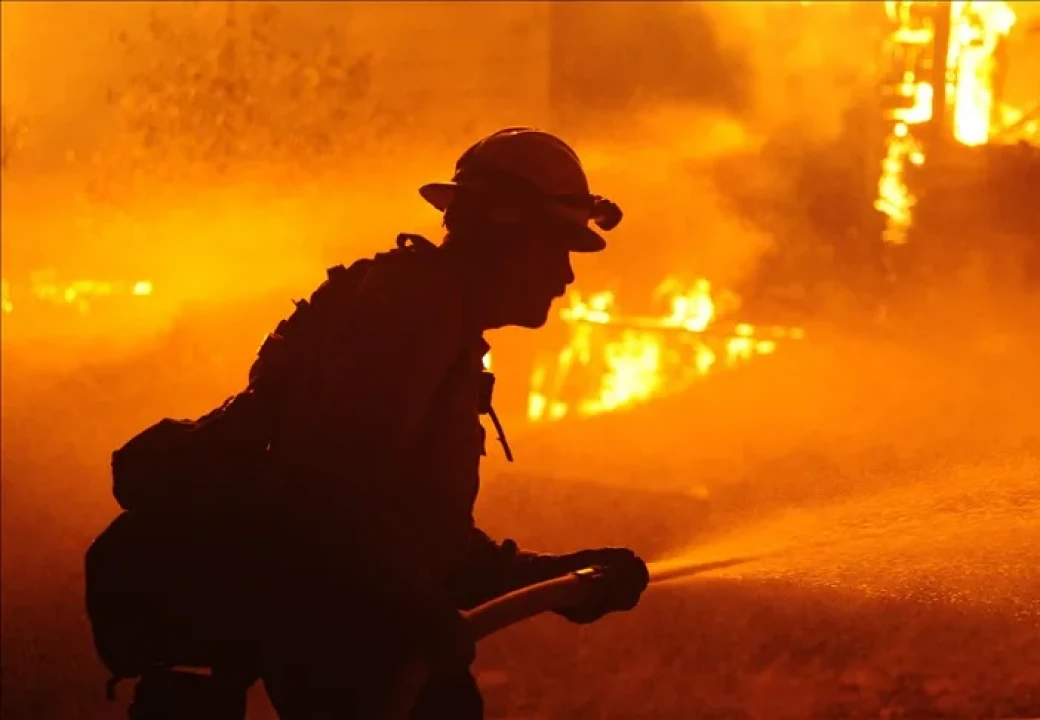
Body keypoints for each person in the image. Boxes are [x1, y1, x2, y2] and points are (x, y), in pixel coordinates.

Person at [92, 127, 649, 719]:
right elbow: (326, 499)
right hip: (339, 643)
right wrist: (421, 614)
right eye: (558, 248)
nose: (566, 276)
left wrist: (558, 579)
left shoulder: (437, 320)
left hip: (356, 634)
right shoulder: (413, 312)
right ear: (503, 233)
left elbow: (422, 541)